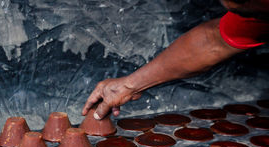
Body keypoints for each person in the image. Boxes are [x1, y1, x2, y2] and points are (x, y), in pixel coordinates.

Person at [82, 0, 269, 120]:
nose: (249, 17)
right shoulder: (255, 11)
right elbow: (212, 42)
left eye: (245, 10)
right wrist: (130, 85)